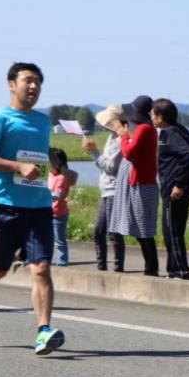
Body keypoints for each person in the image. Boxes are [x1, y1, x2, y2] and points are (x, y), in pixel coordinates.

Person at [0, 62, 67, 355]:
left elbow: (43, 152)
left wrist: (62, 169)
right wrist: (17, 166)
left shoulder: (43, 121)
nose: (34, 87)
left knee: (42, 269)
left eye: (38, 82)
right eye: (28, 81)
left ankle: (43, 330)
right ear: (11, 84)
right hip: (5, 206)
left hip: (38, 206)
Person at [152, 98, 189, 279]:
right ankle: (175, 269)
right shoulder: (179, 131)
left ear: (160, 116)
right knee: (174, 230)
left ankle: (180, 271)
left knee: (171, 230)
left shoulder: (169, 134)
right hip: (177, 188)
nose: (151, 116)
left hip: (174, 190)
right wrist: (187, 180)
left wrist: (180, 183)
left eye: (153, 113)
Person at [110, 95, 159, 276]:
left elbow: (128, 152)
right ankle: (150, 267)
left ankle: (151, 268)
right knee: (143, 229)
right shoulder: (148, 129)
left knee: (144, 230)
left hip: (141, 184)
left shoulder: (144, 129)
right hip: (145, 183)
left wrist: (123, 136)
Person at [82, 104, 126, 271]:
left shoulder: (121, 139)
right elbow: (105, 165)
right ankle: (101, 268)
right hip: (106, 190)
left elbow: (110, 167)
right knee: (98, 232)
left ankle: (118, 269)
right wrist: (95, 152)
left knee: (113, 233)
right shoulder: (111, 137)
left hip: (114, 190)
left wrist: (94, 152)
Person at [48, 147, 75, 265]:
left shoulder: (62, 177)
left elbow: (58, 195)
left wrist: (43, 193)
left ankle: (62, 262)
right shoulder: (49, 174)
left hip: (58, 213)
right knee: (46, 238)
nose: (49, 164)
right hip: (47, 212)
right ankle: (46, 259)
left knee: (59, 240)